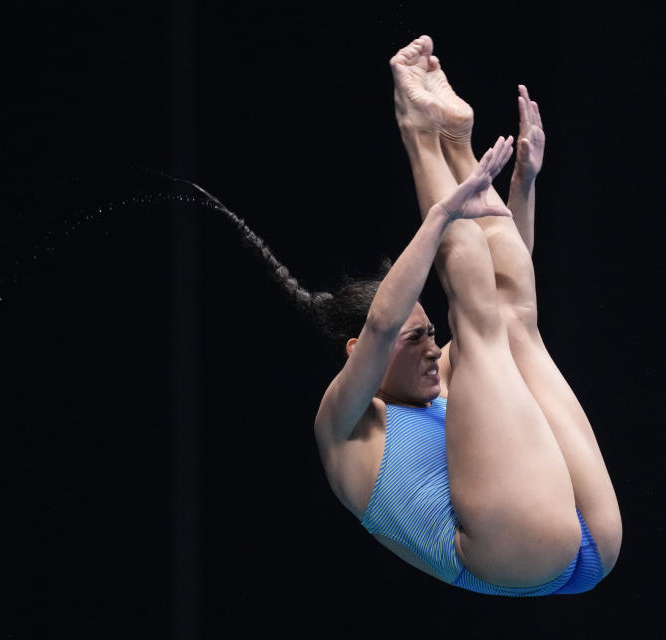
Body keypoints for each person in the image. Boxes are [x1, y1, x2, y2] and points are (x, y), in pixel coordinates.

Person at [227, 35, 621, 596]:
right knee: (479, 317)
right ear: (358, 352)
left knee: (508, 323)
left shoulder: (445, 391)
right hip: (511, 551)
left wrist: (523, 186)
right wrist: (438, 217)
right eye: (418, 339)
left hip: (591, 542)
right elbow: (389, 321)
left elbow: (503, 295)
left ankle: (455, 139)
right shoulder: (344, 424)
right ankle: (420, 132)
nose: (434, 349)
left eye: (430, 335)